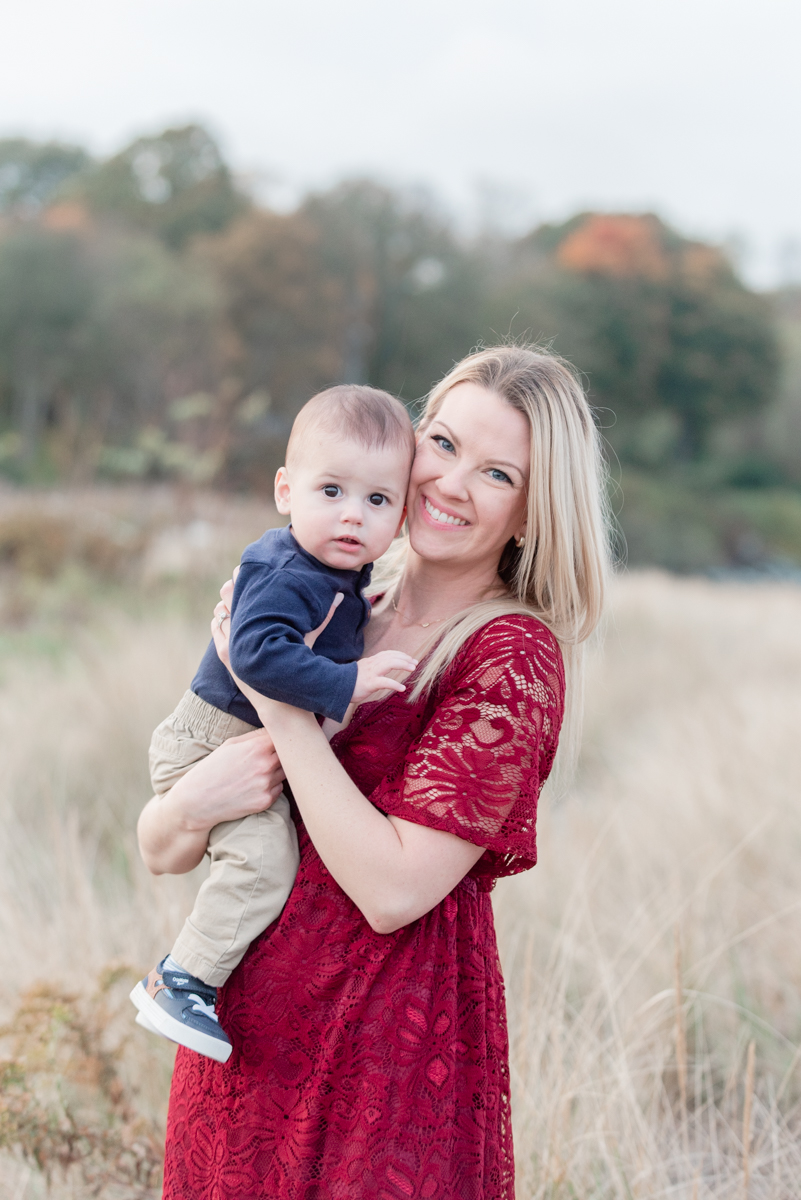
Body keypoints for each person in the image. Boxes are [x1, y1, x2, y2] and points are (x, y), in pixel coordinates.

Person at [137, 345, 611, 1199]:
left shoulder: (510, 654)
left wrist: (279, 706)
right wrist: (194, 803)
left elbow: (394, 891)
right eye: (442, 443)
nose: (449, 484)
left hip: (381, 1062)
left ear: (533, 512)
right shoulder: (333, 595)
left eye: (497, 472)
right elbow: (162, 846)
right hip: (239, 1044)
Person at [131, 385, 417, 1062]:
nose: (352, 516)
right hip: (211, 742)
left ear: (401, 514)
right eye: (331, 492)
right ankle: (181, 979)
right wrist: (346, 682)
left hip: (240, 745)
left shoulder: (341, 577)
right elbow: (255, 652)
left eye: (376, 501)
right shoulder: (285, 567)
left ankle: (193, 977)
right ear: (286, 491)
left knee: (262, 858)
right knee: (262, 862)